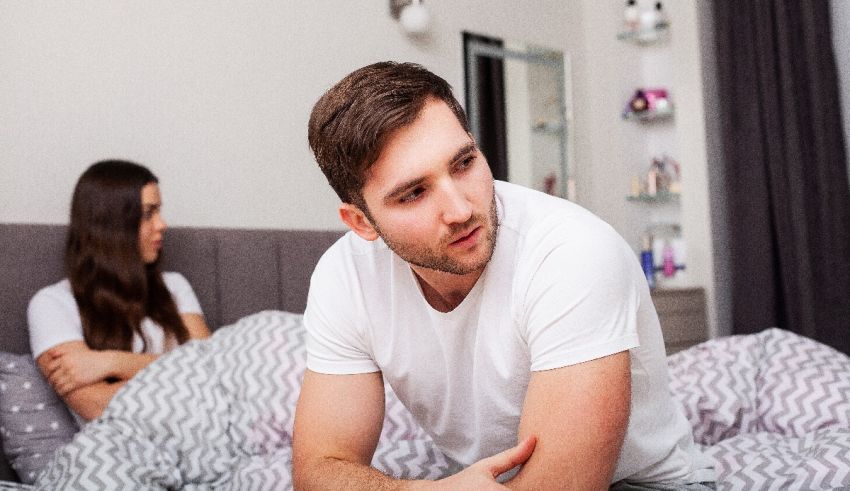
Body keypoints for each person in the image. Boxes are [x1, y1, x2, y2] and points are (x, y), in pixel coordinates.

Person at [293, 61, 715, 490]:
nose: (461, 211)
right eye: (415, 193)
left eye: (463, 163)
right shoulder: (345, 276)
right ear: (361, 223)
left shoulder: (573, 252)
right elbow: (320, 469)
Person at [27, 160, 211, 424]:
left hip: (203, 434)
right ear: (111, 224)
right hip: (120, 448)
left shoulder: (175, 286)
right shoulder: (52, 304)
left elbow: (213, 370)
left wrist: (111, 363)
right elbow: (96, 407)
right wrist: (186, 381)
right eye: (149, 213)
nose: (162, 225)